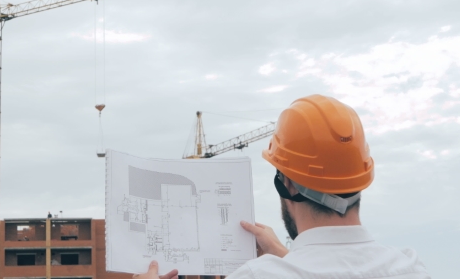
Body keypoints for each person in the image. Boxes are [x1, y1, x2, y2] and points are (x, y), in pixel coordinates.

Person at [134, 95, 430, 279]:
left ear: (284, 183)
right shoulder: (411, 267)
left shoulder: (257, 276)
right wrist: (285, 257)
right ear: (361, 177)